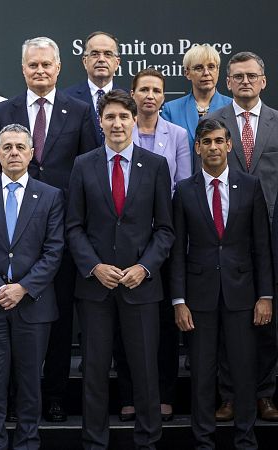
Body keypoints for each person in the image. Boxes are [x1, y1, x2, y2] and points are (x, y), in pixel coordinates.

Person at [0, 36, 97, 422]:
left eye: (47, 64)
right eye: (33, 65)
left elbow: (88, 169)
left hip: (60, 229)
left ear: (59, 67)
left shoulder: (80, 111)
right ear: (22, 69)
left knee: (59, 318)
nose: (40, 70)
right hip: (14, 232)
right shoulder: (4, 111)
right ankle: (17, 397)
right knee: (13, 319)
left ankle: (54, 395)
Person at [66, 90, 173, 450]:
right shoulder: (83, 164)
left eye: (123, 117)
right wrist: (94, 266)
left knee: (145, 370)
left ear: (133, 120)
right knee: (94, 371)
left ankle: (148, 440)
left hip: (141, 286)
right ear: (100, 121)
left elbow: (166, 230)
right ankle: (95, 442)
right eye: (109, 117)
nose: (116, 124)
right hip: (96, 288)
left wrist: (145, 267)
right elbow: (74, 227)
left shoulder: (156, 165)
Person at [0, 123, 64, 449]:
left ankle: (27, 443)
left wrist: (22, 287)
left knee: (30, 381)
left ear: (32, 153)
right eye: (7, 147)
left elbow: (54, 250)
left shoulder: (50, 196)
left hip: (33, 304)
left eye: (21, 147)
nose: (14, 153)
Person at [172, 118, 272, 450]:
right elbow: (177, 251)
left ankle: (246, 439)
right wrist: (179, 300)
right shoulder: (184, 190)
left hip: (242, 296)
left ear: (229, 145)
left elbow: (261, 246)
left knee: (244, 372)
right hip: (198, 300)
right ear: (197, 148)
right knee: (202, 373)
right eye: (206, 142)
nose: (213, 147)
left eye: (219, 141)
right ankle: (203, 441)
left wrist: (266, 296)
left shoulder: (250, 185)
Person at [116, 68, 190, 422]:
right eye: (143, 89)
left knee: (160, 322)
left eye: (156, 90)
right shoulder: (119, 131)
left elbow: (184, 185)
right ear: (132, 95)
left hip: (163, 236)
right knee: (123, 323)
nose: (150, 95)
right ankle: (129, 393)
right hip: (123, 239)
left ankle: (164, 394)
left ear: (164, 96)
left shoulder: (176, 134)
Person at [207, 51, 278, 422]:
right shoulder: (213, 123)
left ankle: (265, 394)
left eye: (252, 76)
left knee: (268, 319)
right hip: (226, 234)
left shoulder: (277, 122)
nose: (245, 82)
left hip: (271, 234)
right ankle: (230, 395)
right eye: (238, 77)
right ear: (228, 83)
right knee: (226, 317)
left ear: (263, 81)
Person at [161, 44, 232, 154]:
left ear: (218, 70)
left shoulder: (232, 106)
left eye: (211, 67)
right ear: (187, 73)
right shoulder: (171, 110)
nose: (206, 73)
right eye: (199, 68)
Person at [63, 31, 124, 145]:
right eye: (95, 54)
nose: (101, 59)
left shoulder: (128, 99)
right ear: (85, 61)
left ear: (117, 63)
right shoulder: (67, 99)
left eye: (108, 54)